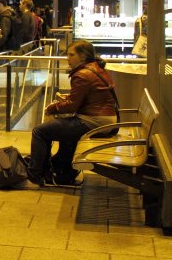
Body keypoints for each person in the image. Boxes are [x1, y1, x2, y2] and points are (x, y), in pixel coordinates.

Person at [27, 40, 118, 187]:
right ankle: (63, 174)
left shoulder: (82, 74)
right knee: (64, 131)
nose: (67, 58)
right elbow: (84, 99)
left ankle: (34, 176)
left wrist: (52, 108)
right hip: (105, 119)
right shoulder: (96, 68)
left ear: (83, 56)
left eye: (71, 55)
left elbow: (71, 106)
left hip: (95, 121)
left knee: (40, 131)